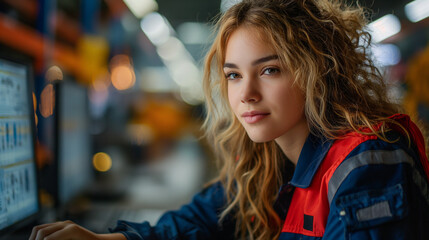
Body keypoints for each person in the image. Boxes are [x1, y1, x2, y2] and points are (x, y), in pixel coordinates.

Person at [29, 0, 429, 239]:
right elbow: (203, 218)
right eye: (234, 74)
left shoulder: (370, 163)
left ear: (316, 71)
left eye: (270, 70)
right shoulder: (271, 161)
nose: (246, 93)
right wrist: (107, 238)